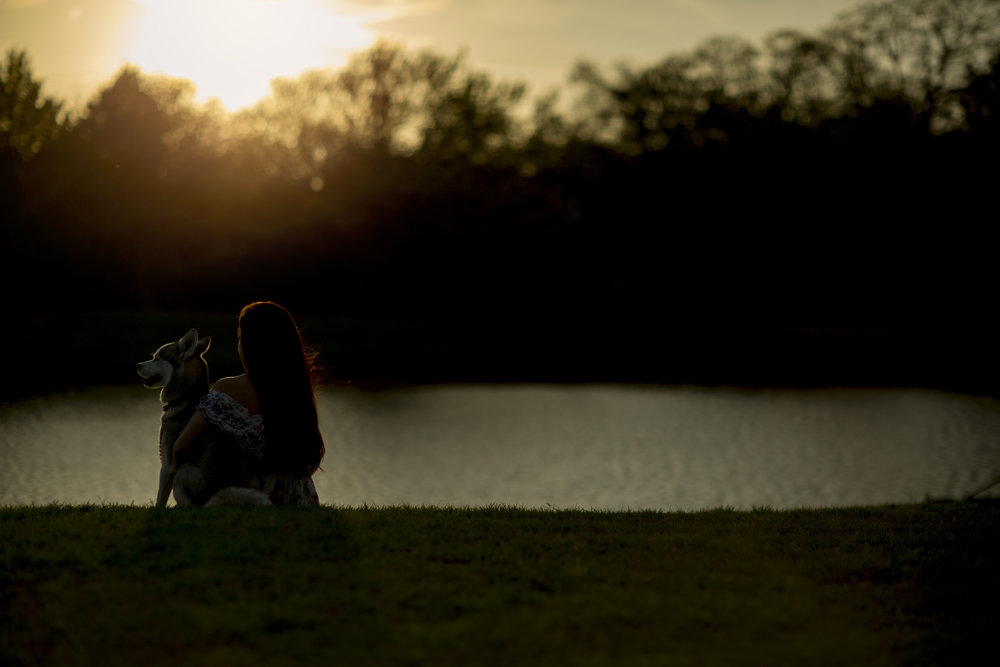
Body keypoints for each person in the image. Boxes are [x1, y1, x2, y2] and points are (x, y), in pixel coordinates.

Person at [173, 301, 324, 505]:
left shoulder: (227, 390)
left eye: (240, 338)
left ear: (251, 344)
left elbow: (180, 448)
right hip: (300, 497)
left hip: (251, 498)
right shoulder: (298, 391)